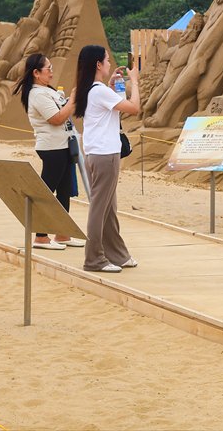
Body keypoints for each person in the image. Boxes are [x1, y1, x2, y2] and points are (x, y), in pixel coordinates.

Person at [73, 44, 139, 273]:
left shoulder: (92, 89)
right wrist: (136, 81)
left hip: (95, 152)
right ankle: (94, 259)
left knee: (108, 207)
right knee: (100, 207)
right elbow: (134, 108)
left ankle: (117, 254)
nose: (110, 63)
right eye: (107, 60)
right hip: (104, 155)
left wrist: (112, 85)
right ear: (98, 64)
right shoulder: (98, 91)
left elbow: (112, 109)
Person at [13, 52, 83, 250]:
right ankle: (41, 236)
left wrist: (70, 101)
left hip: (62, 145)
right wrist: (72, 101)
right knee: (46, 191)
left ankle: (62, 233)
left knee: (64, 190)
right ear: (36, 72)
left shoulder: (46, 90)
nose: (51, 72)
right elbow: (56, 118)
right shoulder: (37, 93)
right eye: (48, 69)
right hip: (52, 147)